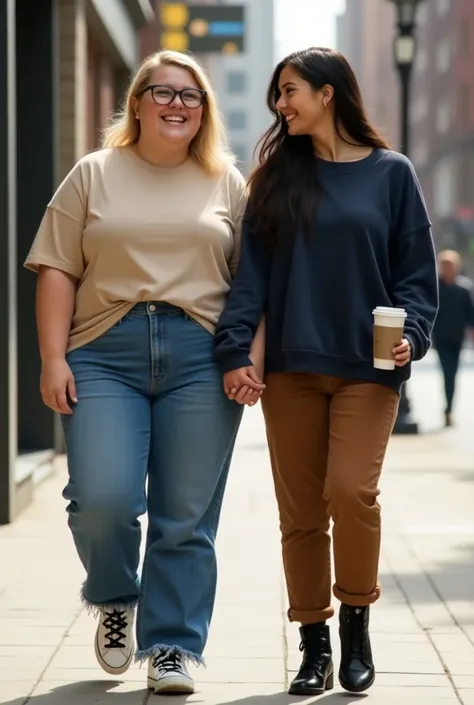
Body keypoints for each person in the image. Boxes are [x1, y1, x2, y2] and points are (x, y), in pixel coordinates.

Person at [24, 50, 264, 695]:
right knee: (103, 500)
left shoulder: (226, 182)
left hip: (202, 357)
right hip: (103, 351)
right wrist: (52, 358)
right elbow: (56, 269)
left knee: (185, 517)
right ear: (137, 102)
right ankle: (113, 595)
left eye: (191, 96)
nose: (177, 104)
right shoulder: (93, 173)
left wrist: (252, 356)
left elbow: (253, 281)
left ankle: (172, 647)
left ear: (204, 109)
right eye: (163, 92)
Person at [214, 47, 438, 696]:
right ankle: (313, 642)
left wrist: (415, 333)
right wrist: (236, 350)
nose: (281, 105)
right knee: (301, 512)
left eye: (289, 91)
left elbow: (416, 274)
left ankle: (357, 624)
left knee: (351, 491)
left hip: (370, 367)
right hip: (291, 368)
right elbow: (249, 280)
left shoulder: (393, 175)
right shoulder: (276, 178)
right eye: (277, 96)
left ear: (328, 93)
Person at [433, 249, 474, 427]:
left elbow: (471, 314)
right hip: (441, 338)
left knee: (452, 374)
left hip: (456, 339)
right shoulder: (435, 288)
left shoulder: (464, 289)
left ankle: (449, 408)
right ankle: (448, 408)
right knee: (446, 372)